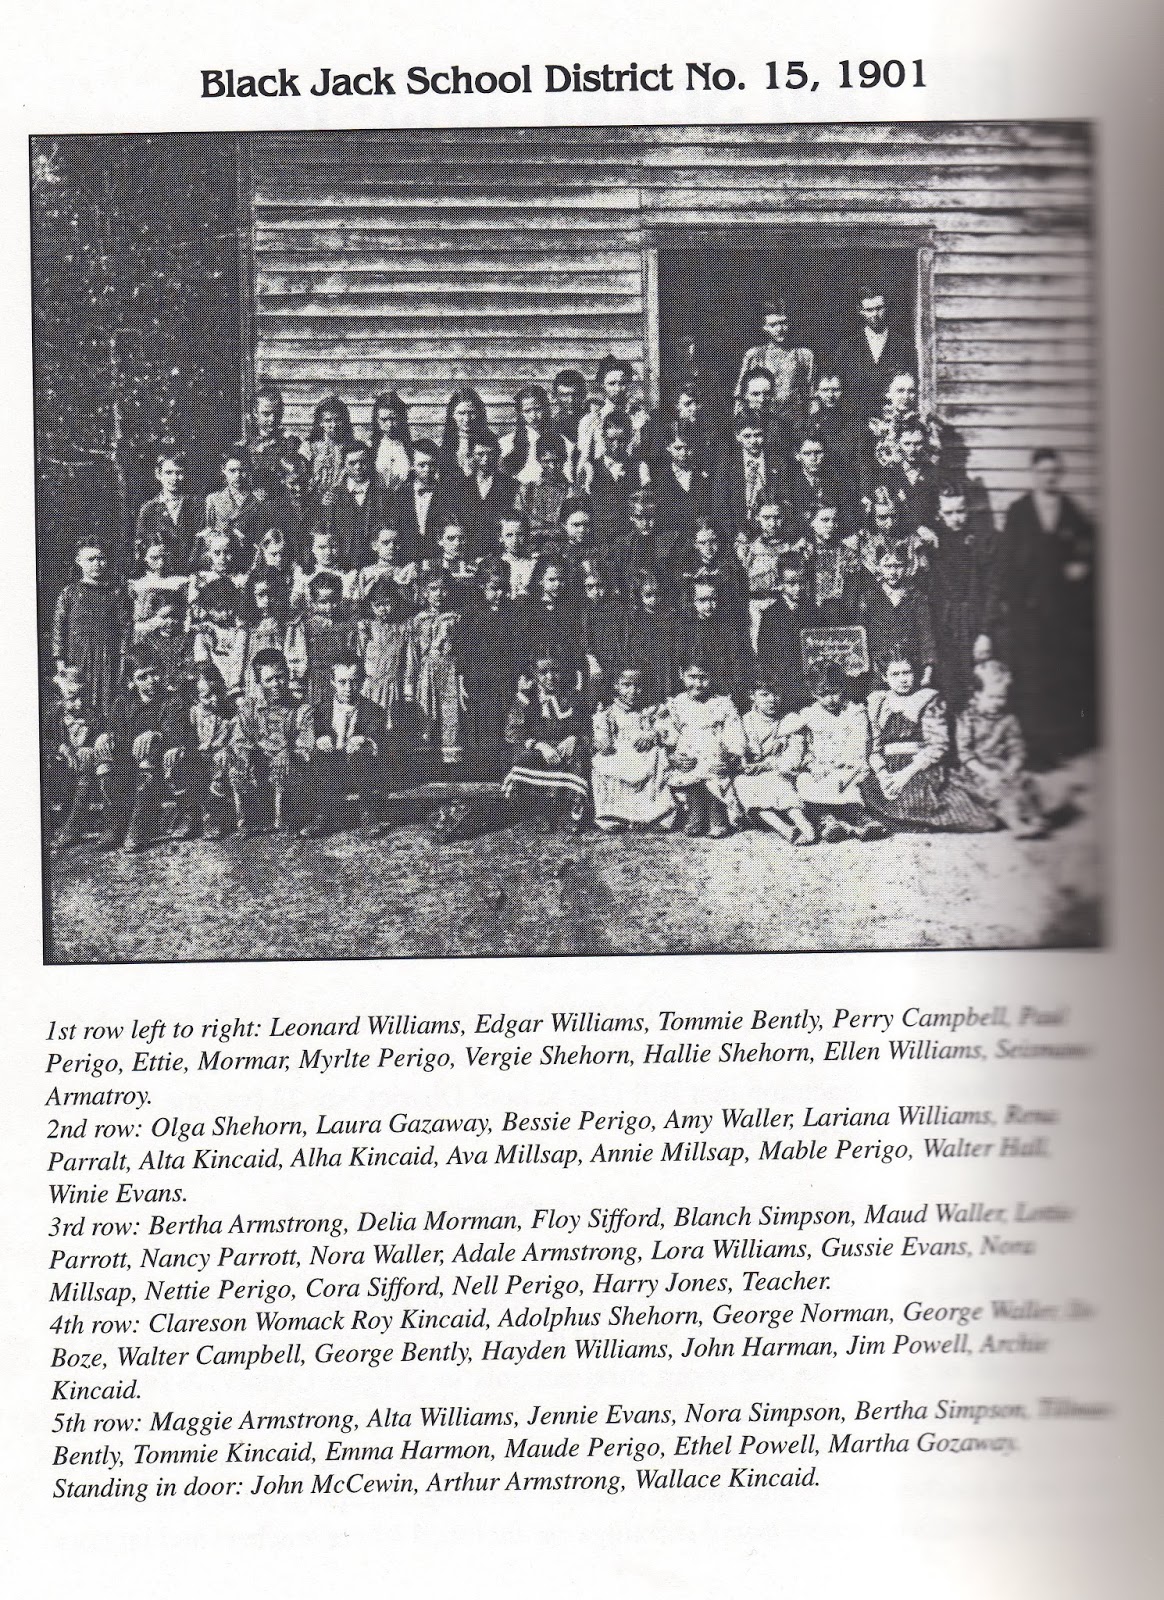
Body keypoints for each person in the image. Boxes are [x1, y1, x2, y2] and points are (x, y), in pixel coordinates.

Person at [999, 448, 1097, 765]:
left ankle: (1061, 744)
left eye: (1054, 471)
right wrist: (1014, 606)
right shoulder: (1019, 511)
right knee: (1029, 676)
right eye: (1043, 471)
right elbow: (1007, 564)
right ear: (1034, 474)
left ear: (1060, 474)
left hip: (1062, 613)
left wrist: (1080, 566)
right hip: (1027, 612)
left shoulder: (1070, 511)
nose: (1049, 476)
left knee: (1060, 675)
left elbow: (1088, 549)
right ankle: (1030, 746)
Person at [862, 648, 996, 831]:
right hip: (889, 768)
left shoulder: (926, 699)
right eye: (895, 674)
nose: (902, 679)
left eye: (906, 672)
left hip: (919, 767)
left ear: (914, 673)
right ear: (885, 678)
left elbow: (938, 746)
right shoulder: (878, 703)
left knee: (958, 809)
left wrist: (904, 775)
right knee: (868, 793)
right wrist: (882, 774)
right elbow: (874, 748)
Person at [778, 661, 886, 842]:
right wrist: (804, 764)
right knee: (806, 782)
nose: (830, 699)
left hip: (849, 765)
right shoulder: (809, 715)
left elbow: (859, 746)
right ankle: (828, 821)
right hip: (819, 768)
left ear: (842, 688)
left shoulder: (854, 712)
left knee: (851, 786)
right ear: (813, 693)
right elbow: (795, 741)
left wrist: (844, 767)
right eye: (823, 695)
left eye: (835, 692)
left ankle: (861, 820)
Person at [93, 643, 184, 852]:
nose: (152, 680)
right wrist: (106, 738)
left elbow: (176, 733)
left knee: (149, 749)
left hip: (159, 767)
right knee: (104, 752)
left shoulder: (171, 700)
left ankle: (139, 826)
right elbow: (115, 731)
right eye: (143, 677)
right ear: (131, 681)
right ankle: (114, 823)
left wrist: (156, 734)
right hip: (128, 765)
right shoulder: (123, 703)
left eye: (154, 674)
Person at [955, 659, 1048, 838]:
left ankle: (1035, 817)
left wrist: (1011, 768)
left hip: (1002, 766)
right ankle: (1015, 823)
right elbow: (965, 753)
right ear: (977, 695)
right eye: (991, 697)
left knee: (1025, 780)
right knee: (999, 787)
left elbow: (1017, 749)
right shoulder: (968, 718)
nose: (997, 702)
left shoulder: (1008, 720)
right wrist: (987, 773)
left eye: (1002, 697)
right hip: (976, 770)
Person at [302, 653, 391, 837]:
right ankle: (323, 816)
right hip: (332, 769)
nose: (349, 688)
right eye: (342, 682)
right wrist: (320, 738)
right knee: (320, 754)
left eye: (354, 681)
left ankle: (368, 814)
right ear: (332, 682)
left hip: (361, 770)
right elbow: (313, 733)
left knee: (362, 753)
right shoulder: (321, 709)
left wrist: (365, 740)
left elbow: (378, 737)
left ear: (362, 681)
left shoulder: (374, 710)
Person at [502, 650, 590, 832]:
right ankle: (540, 812)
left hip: (565, 747)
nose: (550, 677)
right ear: (534, 674)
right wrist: (539, 745)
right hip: (538, 747)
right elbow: (512, 731)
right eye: (543, 673)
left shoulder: (571, 696)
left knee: (579, 756)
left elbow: (585, 725)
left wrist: (573, 738)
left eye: (555, 671)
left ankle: (569, 813)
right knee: (523, 758)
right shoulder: (526, 698)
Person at [229, 648, 314, 834]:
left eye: (281, 677)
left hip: (291, 769)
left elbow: (307, 747)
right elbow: (240, 741)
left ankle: (286, 820)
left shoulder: (302, 710)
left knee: (286, 766)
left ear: (288, 675)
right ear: (259, 682)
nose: (276, 684)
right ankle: (249, 822)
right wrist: (245, 758)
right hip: (260, 766)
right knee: (236, 767)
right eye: (269, 679)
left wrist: (287, 752)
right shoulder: (249, 709)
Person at [657, 659, 745, 838]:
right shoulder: (676, 704)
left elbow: (735, 733)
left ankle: (716, 814)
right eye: (692, 677)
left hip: (715, 754)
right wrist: (673, 757)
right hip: (689, 756)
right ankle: (695, 813)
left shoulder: (722, 704)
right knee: (691, 774)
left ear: (712, 678)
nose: (698, 684)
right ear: (682, 675)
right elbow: (667, 735)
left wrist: (731, 756)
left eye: (703, 678)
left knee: (714, 771)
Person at [52, 539, 133, 717]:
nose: (97, 564)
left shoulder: (116, 592)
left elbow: (125, 627)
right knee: (78, 698)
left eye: (101, 558)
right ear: (78, 561)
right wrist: (60, 661)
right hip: (77, 657)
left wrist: (123, 657)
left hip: (107, 657)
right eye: (91, 559)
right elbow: (59, 627)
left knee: (106, 700)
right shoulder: (70, 592)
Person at [590, 666, 675, 833]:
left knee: (657, 755)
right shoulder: (608, 713)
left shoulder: (651, 710)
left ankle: (655, 816)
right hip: (618, 755)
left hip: (643, 753)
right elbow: (601, 733)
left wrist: (651, 736)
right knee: (601, 761)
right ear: (616, 686)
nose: (633, 691)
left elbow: (665, 729)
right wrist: (603, 741)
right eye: (626, 685)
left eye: (638, 686)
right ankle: (612, 817)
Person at [845, 538, 937, 691]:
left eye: (898, 566)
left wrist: (927, 673)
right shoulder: (868, 598)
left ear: (906, 567)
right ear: (879, 567)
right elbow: (860, 638)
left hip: (909, 670)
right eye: (887, 566)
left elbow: (927, 636)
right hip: (878, 672)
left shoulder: (916, 597)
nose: (893, 572)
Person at [733, 675, 815, 843]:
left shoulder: (791, 720)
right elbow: (737, 751)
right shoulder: (744, 722)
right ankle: (783, 828)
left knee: (777, 780)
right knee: (741, 782)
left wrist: (768, 765)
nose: (772, 699)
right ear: (752, 695)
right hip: (754, 777)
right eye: (764, 694)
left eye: (776, 694)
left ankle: (800, 819)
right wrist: (744, 763)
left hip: (782, 771)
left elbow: (794, 756)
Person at [460, 562, 519, 780]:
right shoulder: (471, 613)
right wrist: (462, 678)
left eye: (503, 587)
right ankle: (484, 777)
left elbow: (519, 646)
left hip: (506, 679)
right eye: (494, 588)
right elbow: (463, 648)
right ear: (482, 586)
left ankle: (507, 777)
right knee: (483, 727)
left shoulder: (512, 611)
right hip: (480, 681)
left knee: (507, 726)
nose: (500, 593)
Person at [402, 573, 465, 769]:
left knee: (450, 715)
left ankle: (451, 768)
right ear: (425, 593)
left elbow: (463, 648)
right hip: (426, 674)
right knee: (426, 714)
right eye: (433, 589)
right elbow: (412, 654)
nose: (439, 594)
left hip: (450, 672)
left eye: (443, 589)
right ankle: (426, 765)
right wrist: (409, 683)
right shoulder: (417, 621)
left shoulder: (456, 618)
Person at [829, 285, 917, 426]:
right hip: (855, 426)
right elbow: (837, 386)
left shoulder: (903, 346)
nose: (875, 315)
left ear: (886, 308)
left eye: (879, 308)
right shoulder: (847, 347)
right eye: (869, 310)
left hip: (894, 424)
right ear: (860, 311)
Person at [170, 663, 235, 841]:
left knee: (219, 775)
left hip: (219, 757)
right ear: (195, 698)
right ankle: (189, 816)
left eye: (218, 693)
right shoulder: (192, 714)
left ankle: (213, 818)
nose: (215, 699)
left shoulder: (229, 712)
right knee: (178, 769)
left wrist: (226, 748)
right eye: (207, 696)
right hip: (197, 758)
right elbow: (185, 736)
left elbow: (236, 736)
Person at [755, 554, 824, 712]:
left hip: (811, 688)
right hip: (783, 688)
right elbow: (765, 655)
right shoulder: (770, 616)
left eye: (801, 583)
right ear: (780, 584)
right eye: (791, 583)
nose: (798, 588)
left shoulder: (815, 613)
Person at [734, 297, 815, 433]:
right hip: (761, 426)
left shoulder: (804, 355)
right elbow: (740, 397)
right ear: (764, 327)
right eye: (773, 325)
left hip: (794, 427)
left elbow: (812, 395)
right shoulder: (754, 355)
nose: (779, 329)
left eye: (783, 323)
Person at [46, 666, 102, 850]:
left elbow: (103, 736)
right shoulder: (52, 717)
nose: (78, 704)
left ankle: (72, 826)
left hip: (84, 769)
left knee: (86, 757)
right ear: (61, 700)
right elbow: (43, 739)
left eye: (82, 697)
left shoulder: (92, 716)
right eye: (72, 699)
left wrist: (89, 748)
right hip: (58, 767)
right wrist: (61, 747)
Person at [713, 413, 787, 549]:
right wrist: (735, 533)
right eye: (747, 436)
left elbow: (785, 499)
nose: (753, 441)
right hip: (738, 534)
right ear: (737, 436)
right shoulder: (728, 465)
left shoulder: (777, 462)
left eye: (758, 435)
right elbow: (720, 503)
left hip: (772, 531)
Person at [677, 577, 753, 709]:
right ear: (693, 602)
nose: (709, 605)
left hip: (722, 695)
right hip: (693, 694)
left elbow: (736, 663)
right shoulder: (685, 630)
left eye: (713, 600)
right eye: (702, 600)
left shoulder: (727, 630)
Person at [324, 440, 395, 571]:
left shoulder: (385, 496)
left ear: (370, 463)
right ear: (344, 466)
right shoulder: (333, 496)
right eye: (352, 463)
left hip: (375, 567)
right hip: (342, 567)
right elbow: (328, 531)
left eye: (363, 462)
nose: (358, 467)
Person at [291, 571, 359, 707]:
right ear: (313, 601)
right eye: (323, 602)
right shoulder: (305, 626)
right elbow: (298, 659)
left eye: (333, 601)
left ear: (340, 598)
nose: (329, 607)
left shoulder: (348, 625)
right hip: (315, 682)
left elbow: (354, 652)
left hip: (342, 683)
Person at [388, 440, 461, 565]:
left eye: (432, 464)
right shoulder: (399, 495)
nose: (427, 469)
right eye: (422, 465)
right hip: (405, 562)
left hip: (438, 563)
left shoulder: (449, 495)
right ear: (412, 465)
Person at [358, 575, 412, 736]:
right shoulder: (367, 627)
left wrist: (408, 688)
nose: (383, 609)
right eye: (378, 605)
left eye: (387, 604)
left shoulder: (402, 628)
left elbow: (408, 660)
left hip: (393, 685)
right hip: (371, 685)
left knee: (392, 729)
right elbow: (359, 655)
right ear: (371, 606)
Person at [575, 355, 645, 474]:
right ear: (603, 385)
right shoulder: (590, 420)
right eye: (612, 383)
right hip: (601, 481)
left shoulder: (640, 417)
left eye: (622, 383)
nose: (617, 389)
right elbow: (584, 459)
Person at [133, 450, 201, 572]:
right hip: (160, 575)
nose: (174, 478)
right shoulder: (148, 509)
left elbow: (201, 542)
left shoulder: (196, 505)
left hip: (193, 573)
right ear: (158, 475)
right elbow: (141, 546)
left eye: (179, 472)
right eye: (168, 473)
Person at [623, 569, 681, 707]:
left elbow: (676, 640)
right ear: (640, 595)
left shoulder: (669, 615)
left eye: (658, 595)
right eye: (648, 595)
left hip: (666, 661)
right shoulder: (635, 618)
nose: (654, 599)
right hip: (645, 664)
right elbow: (629, 643)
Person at [455, 433, 518, 558]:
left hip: (501, 555)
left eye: (490, 454)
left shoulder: (512, 486)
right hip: (468, 554)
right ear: (472, 455)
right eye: (480, 454)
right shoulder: (460, 487)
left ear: (497, 455)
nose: (485, 459)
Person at [498, 385, 577, 485]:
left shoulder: (563, 442)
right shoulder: (506, 443)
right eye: (527, 411)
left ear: (546, 409)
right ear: (520, 413)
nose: (533, 416)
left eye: (537, 409)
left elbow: (569, 479)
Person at [577, 556, 628, 708]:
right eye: (589, 588)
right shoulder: (584, 611)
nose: (596, 592)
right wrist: (592, 661)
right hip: (595, 664)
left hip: (617, 662)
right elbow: (585, 639)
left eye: (600, 586)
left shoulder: (618, 609)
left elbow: (624, 636)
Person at [190, 578, 248, 703]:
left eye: (230, 608)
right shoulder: (205, 632)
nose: (227, 614)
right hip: (214, 687)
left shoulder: (239, 630)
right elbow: (202, 662)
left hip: (237, 685)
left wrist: (234, 686)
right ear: (208, 608)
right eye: (220, 610)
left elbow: (239, 658)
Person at [653, 421, 711, 545]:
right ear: (668, 447)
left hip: (701, 543)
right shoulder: (659, 480)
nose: (683, 453)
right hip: (671, 545)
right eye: (678, 448)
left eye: (688, 448)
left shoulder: (703, 477)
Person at [204, 447, 265, 557]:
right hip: (223, 556)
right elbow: (209, 532)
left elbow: (263, 533)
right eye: (232, 471)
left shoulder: (258, 500)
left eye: (242, 471)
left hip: (251, 556)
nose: (237, 475)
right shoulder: (213, 499)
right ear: (223, 470)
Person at [244, 383, 304, 495]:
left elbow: (299, 478)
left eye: (276, 413)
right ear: (255, 413)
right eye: (266, 414)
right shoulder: (245, 447)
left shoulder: (292, 446)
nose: (272, 419)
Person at [516, 436, 572, 547]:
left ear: (564, 459)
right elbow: (518, 526)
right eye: (547, 461)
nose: (552, 466)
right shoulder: (527, 491)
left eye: (557, 461)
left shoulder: (573, 492)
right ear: (538, 460)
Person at [307, 395, 355, 500]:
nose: (334, 425)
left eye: (338, 420)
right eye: (328, 420)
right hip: (315, 503)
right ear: (320, 423)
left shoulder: (352, 448)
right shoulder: (309, 448)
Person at [438, 388, 489, 483]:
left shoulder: (490, 445)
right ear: (452, 415)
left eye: (471, 413)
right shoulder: (445, 448)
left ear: (479, 413)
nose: (467, 419)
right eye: (461, 413)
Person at [368, 392, 413, 497]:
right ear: (377, 420)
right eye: (384, 420)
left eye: (393, 419)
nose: (389, 424)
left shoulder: (410, 449)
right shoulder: (370, 449)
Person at [497, 511, 537, 600]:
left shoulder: (535, 564)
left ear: (527, 535)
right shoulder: (495, 565)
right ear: (500, 537)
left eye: (519, 534)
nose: (515, 540)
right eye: (509, 535)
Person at [550, 369, 588, 443]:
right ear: (555, 397)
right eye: (564, 395)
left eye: (575, 394)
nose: (570, 400)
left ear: (583, 395)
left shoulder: (592, 422)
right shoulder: (550, 427)